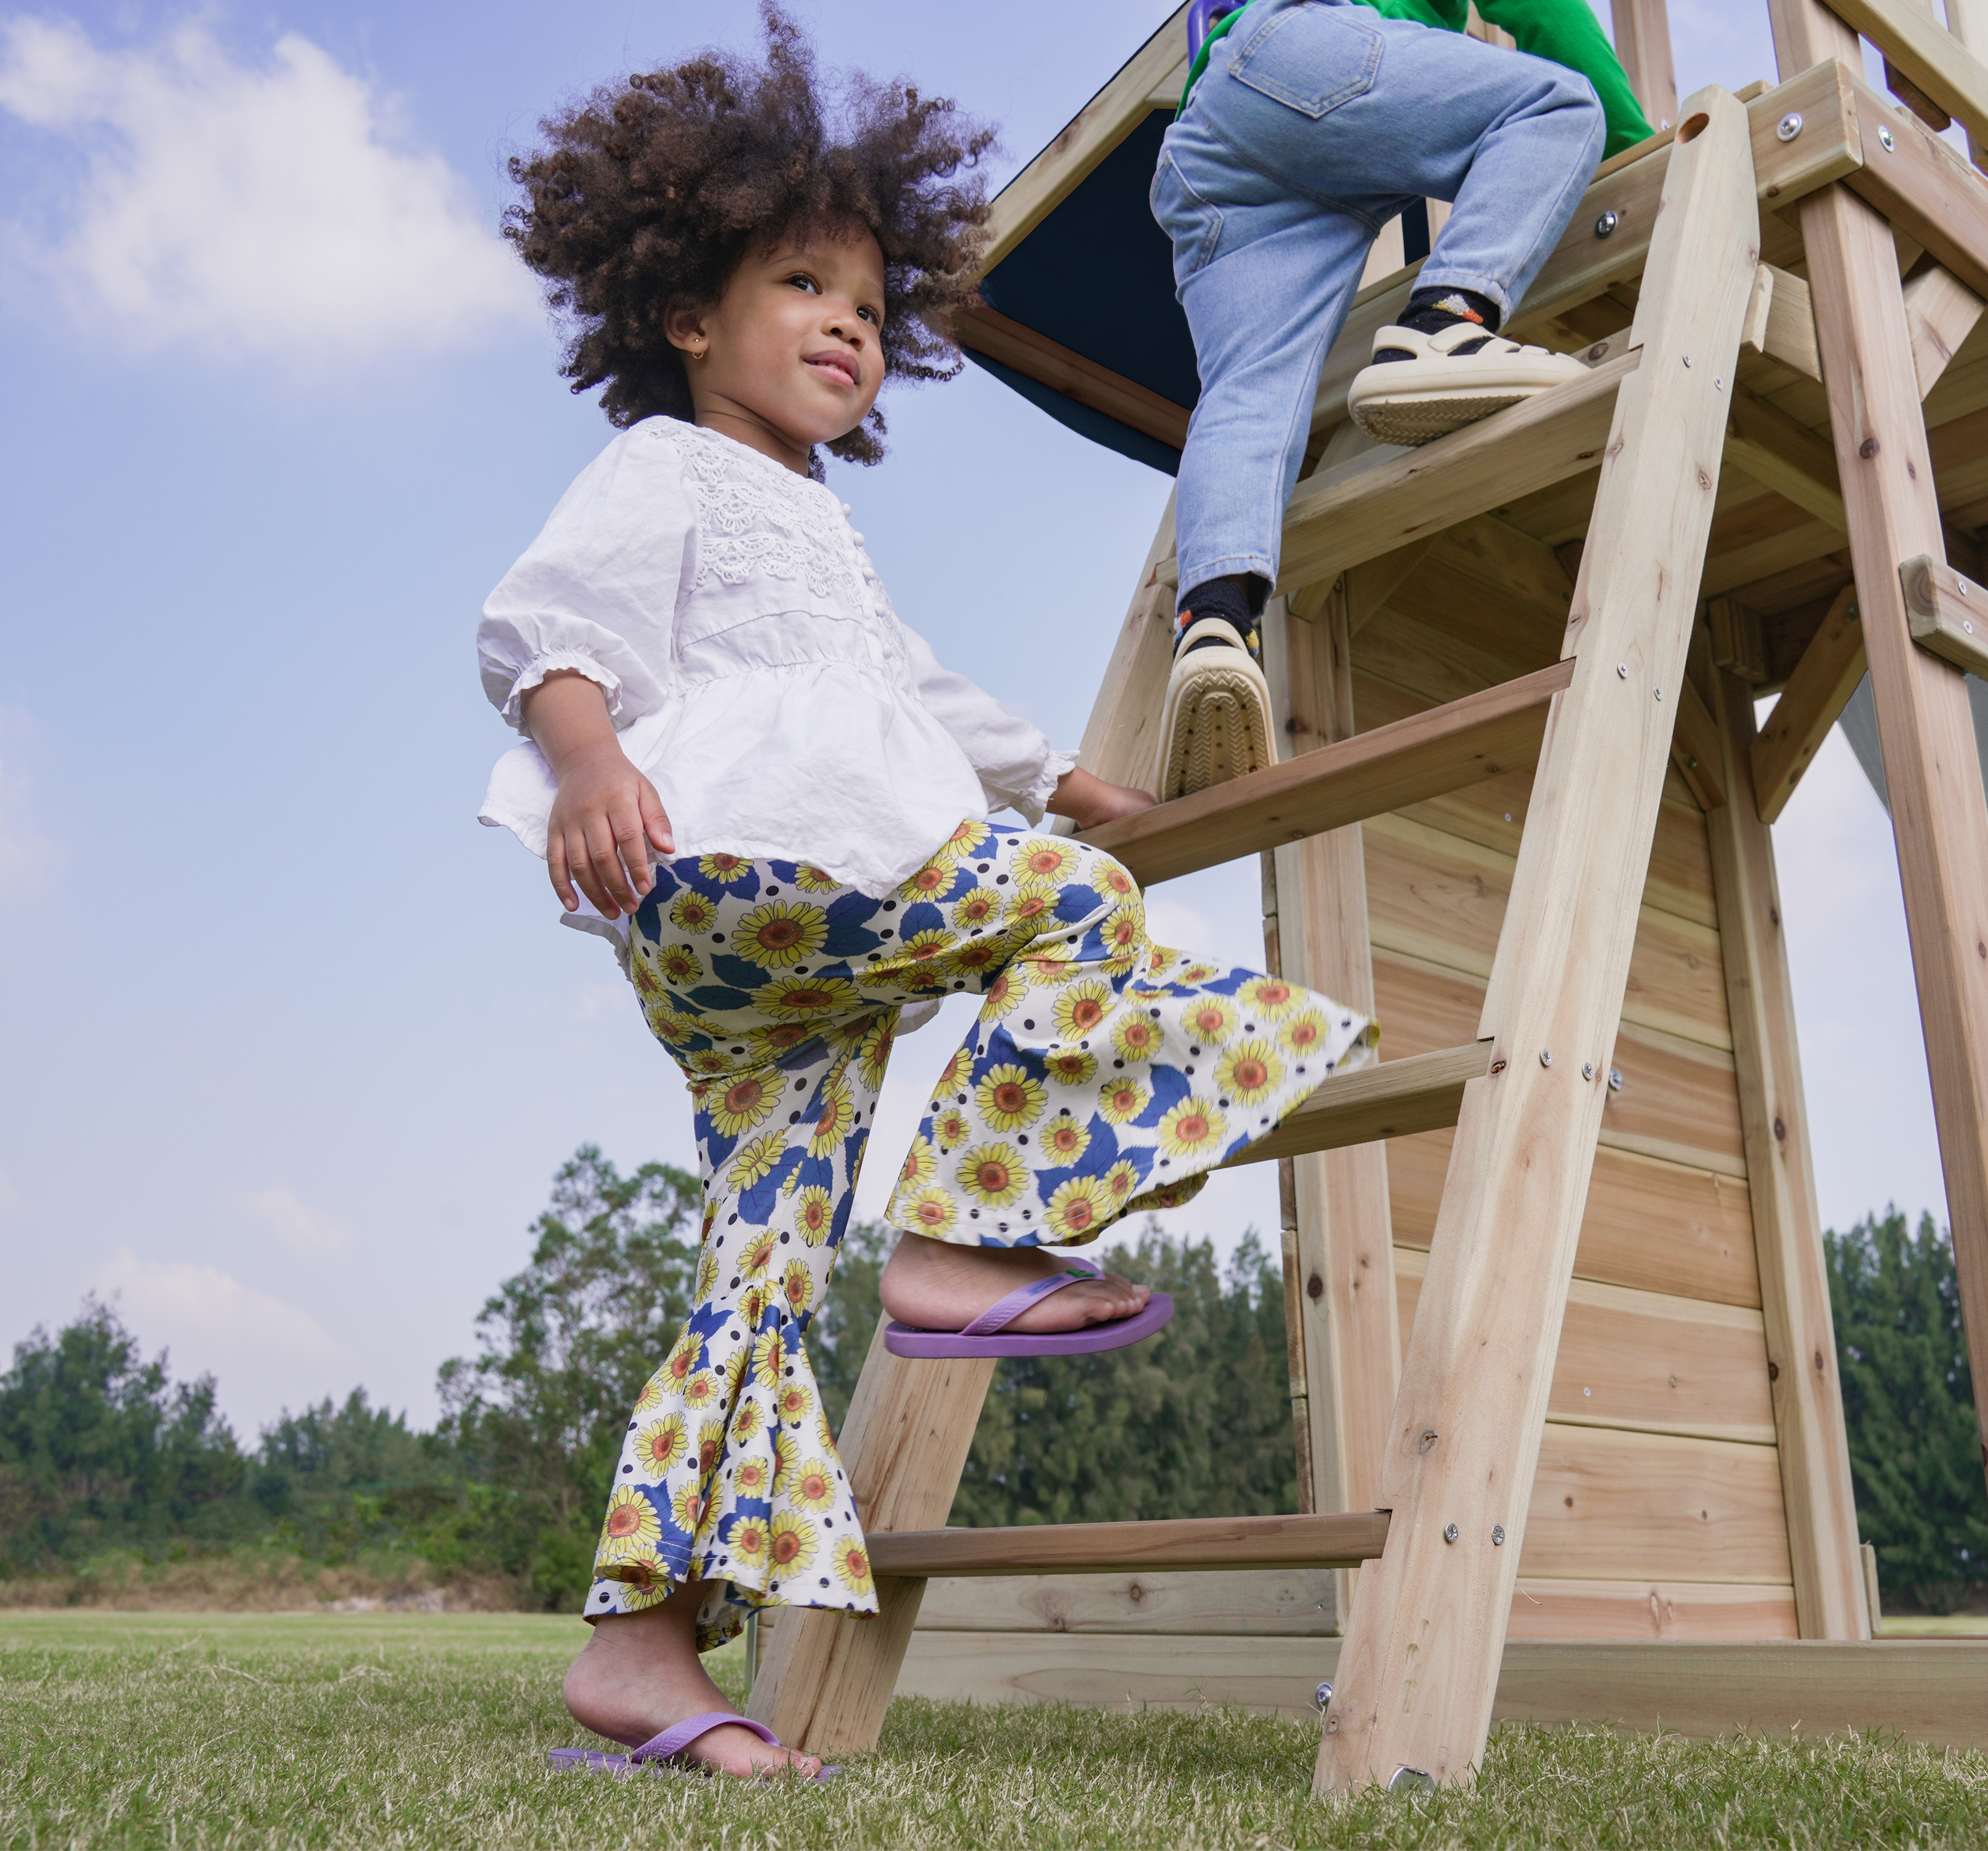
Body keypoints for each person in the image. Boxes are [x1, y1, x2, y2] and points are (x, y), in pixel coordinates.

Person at [479, 8, 1377, 1778]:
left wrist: (1066, 779)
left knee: (757, 1256)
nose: (846, 327)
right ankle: (969, 1241)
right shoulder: (670, 465)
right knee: (1073, 912)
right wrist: (588, 762)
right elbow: (540, 624)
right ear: (685, 315)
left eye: (873, 313)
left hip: (767, 965)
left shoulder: (826, 526)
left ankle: (641, 1651)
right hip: (735, 859)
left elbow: (924, 698)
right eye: (803, 286)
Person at [1149, 0, 1650, 798]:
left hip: (1210, 146)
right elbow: (1548, 12)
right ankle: (1444, 323)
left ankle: (1212, 625)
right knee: (1553, 106)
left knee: (1250, 391)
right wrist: (1641, 158)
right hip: (1299, 52)